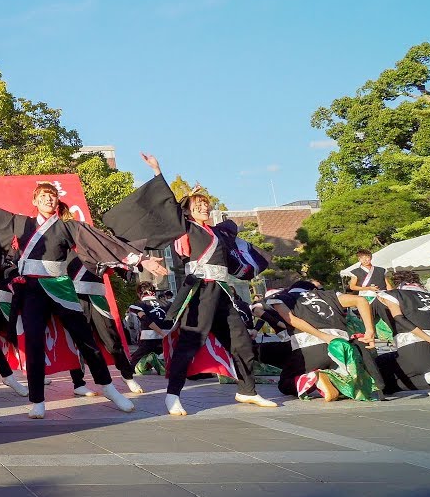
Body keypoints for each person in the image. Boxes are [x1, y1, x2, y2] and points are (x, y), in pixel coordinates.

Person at [0, 182, 166, 419]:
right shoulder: (21, 223)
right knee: (34, 344)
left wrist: (140, 259)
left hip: (60, 286)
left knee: (85, 339)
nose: (49, 199)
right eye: (44, 196)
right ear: (34, 201)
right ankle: (37, 400)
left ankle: (108, 387)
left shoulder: (67, 227)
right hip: (30, 290)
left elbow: (98, 241)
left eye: (53, 196)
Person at [102, 154, 276, 416]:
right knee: (190, 342)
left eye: (206, 205)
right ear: (188, 212)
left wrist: (196, 195)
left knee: (241, 341)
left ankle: (247, 390)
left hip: (221, 293)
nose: (204, 209)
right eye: (198, 206)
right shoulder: (187, 229)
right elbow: (170, 208)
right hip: (198, 291)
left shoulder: (218, 233)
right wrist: (158, 173)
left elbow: (231, 230)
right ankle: (172, 395)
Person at [268, 280, 384, 401]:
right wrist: (370, 332)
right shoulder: (329, 294)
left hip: (309, 350)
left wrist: (323, 336)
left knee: (285, 384)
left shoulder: (283, 297)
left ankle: (314, 379)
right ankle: (334, 379)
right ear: (314, 290)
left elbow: (291, 319)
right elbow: (361, 300)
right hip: (341, 350)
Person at [67, 263, 144, 396]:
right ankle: (78, 383)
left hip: (97, 296)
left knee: (112, 339)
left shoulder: (95, 243)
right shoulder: (68, 243)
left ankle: (127, 375)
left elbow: (109, 254)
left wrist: (126, 270)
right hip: (74, 297)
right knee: (78, 343)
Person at [376, 270, 430, 395]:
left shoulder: (394, 294)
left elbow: (399, 318)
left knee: (383, 380)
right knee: (385, 360)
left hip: (416, 350)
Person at [126, 282, 172, 370]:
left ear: (139, 293)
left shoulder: (139, 305)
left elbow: (145, 319)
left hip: (149, 337)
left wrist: (160, 332)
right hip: (167, 336)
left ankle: (128, 374)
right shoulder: (168, 304)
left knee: (134, 361)